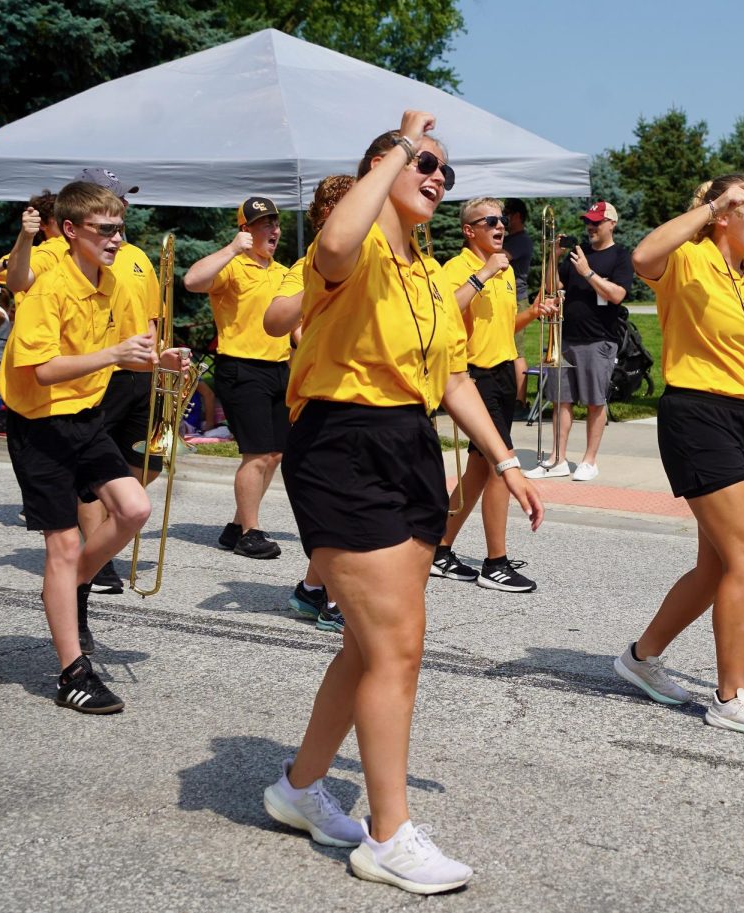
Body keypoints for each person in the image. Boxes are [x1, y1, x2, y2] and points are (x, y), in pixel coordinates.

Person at [263, 111, 543, 895]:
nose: (437, 177)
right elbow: (333, 247)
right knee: (396, 646)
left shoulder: (427, 271)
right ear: (383, 169)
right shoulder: (352, 254)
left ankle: (297, 788)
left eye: (444, 171)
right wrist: (394, 146)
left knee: (368, 643)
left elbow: (453, 378)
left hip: (409, 444)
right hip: (341, 445)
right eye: (425, 164)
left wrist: (505, 459)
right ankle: (388, 835)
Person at [613, 173, 744, 736]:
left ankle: (639, 657)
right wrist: (706, 210)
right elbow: (643, 256)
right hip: (696, 417)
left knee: (716, 566)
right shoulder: (688, 260)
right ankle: (731, 697)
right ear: (722, 212)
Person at [0, 180, 188, 713]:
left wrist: (161, 359)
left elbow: (125, 351)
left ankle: (69, 587)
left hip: (83, 418)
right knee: (60, 548)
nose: (115, 238)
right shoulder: (48, 286)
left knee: (134, 507)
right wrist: (112, 354)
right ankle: (72, 673)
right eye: (104, 230)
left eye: (119, 229)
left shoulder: (111, 282)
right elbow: (40, 371)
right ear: (70, 230)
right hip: (40, 426)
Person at [4, 170, 163, 595]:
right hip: (73, 387)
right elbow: (17, 281)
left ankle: (85, 566)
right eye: (112, 201)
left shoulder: (133, 257)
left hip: (129, 369)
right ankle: (87, 575)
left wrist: (159, 358)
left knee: (143, 472)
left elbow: (149, 318)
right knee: (86, 492)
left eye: (123, 203)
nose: (121, 209)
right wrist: (24, 239)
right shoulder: (57, 253)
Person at [433, 197, 556, 593]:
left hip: (502, 371)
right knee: (502, 467)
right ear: (470, 230)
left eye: (502, 220)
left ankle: (440, 547)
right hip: (474, 375)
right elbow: (446, 312)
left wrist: (533, 313)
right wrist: (482, 274)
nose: (500, 226)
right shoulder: (460, 268)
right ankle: (495, 562)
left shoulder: (501, 266)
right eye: (490, 221)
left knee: (480, 470)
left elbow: (503, 324)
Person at [263, 174, 355, 633]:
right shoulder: (308, 262)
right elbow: (277, 322)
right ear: (324, 217)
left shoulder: (378, 259)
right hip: (324, 395)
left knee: (348, 503)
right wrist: (318, 286)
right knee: (345, 507)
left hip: (361, 394)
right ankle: (336, 601)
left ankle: (312, 589)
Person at [185, 195, 289, 559]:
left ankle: (235, 526)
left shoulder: (281, 272)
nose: (273, 230)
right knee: (256, 454)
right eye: (264, 224)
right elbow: (192, 281)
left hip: (279, 367)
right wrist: (231, 248)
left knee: (275, 454)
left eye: (275, 223)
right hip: (242, 368)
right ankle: (251, 533)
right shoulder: (232, 265)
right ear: (245, 230)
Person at [524, 200, 634, 482]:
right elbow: (552, 287)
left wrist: (587, 272)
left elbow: (618, 294)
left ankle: (589, 460)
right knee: (561, 400)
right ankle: (557, 459)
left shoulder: (620, 255)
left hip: (598, 341)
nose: (590, 227)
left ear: (612, 223)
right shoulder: (575, 255)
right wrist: (553, 255)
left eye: (596, 222)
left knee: (595, 402)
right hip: (565, 338)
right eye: (588, 221)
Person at [502, 198, 534, 413]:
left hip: (517, 299)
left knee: (516, 350)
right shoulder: (509, 238)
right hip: (506, 297)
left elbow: (501, 257)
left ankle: (520, 401)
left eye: (508, 214)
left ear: (518, 216)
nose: (504, 218)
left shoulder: (521, 240)